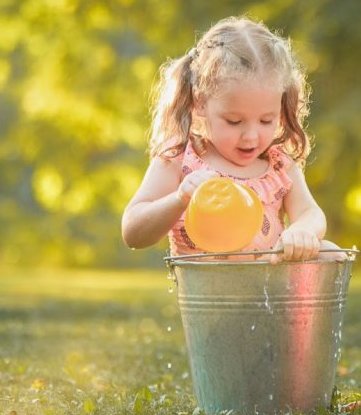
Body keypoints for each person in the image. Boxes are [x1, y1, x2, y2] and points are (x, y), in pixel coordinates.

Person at [122, 16, 329, 261]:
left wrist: (302, 230)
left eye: (266, 120)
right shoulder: (180, 159)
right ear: (200, 103)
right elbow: (133, 232)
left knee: (330, 250)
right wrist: (179, 199)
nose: (251, 136)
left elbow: (311, 213)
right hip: (209, 292)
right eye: (234, 121)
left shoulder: (278, 165)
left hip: (270, 292)